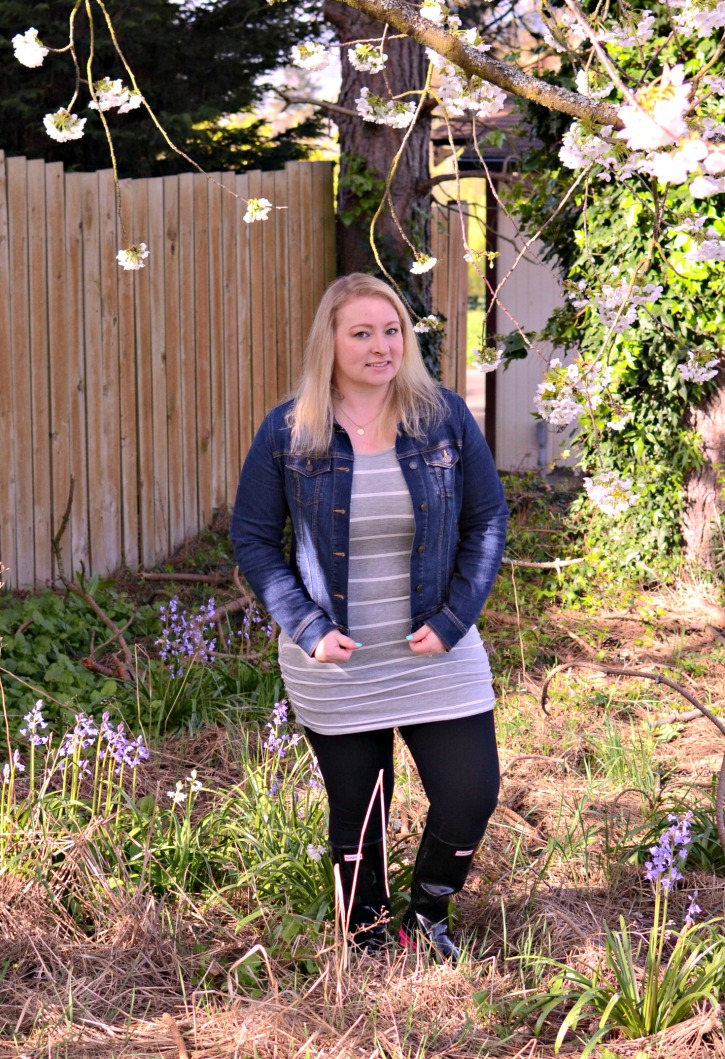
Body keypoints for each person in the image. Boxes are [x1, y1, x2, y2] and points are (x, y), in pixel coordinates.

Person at [231, 273, 508, 961]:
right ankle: (367, 935)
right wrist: (305, 625)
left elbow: (487, 518)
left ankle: (428, 914)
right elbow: (253, 538)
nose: (380, 346)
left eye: (391, 332)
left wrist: (453, 618)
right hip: (337, 660)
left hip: (435, 650)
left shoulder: (439, 415)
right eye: (361, 332)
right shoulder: (289, 431)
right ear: (329, 340)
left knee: (470, 792)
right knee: (360, 813)